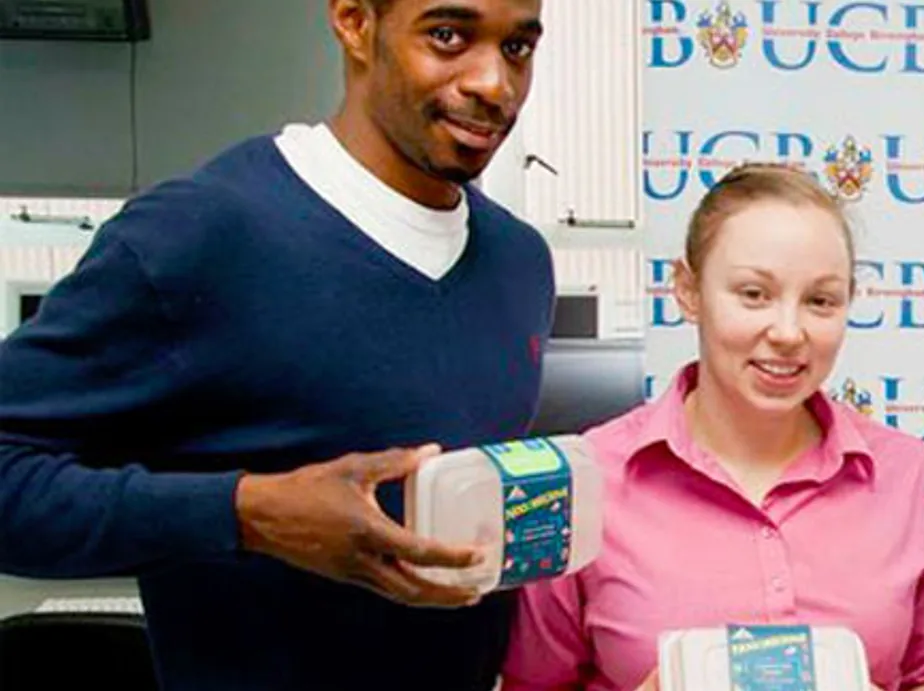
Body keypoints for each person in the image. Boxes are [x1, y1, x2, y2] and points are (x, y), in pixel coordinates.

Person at [0, 0, 550, 688]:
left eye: (517, 48)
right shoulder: (201, 234)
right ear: (354, 22)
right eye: (447, 36)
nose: (494, 84)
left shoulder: (519, 262)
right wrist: (246, 513)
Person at [502, 165, 924, 691]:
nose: (788, 332)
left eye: (820, 301)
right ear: (688, 290)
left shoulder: (912, 478)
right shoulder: (583, 483)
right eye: (753, 294)